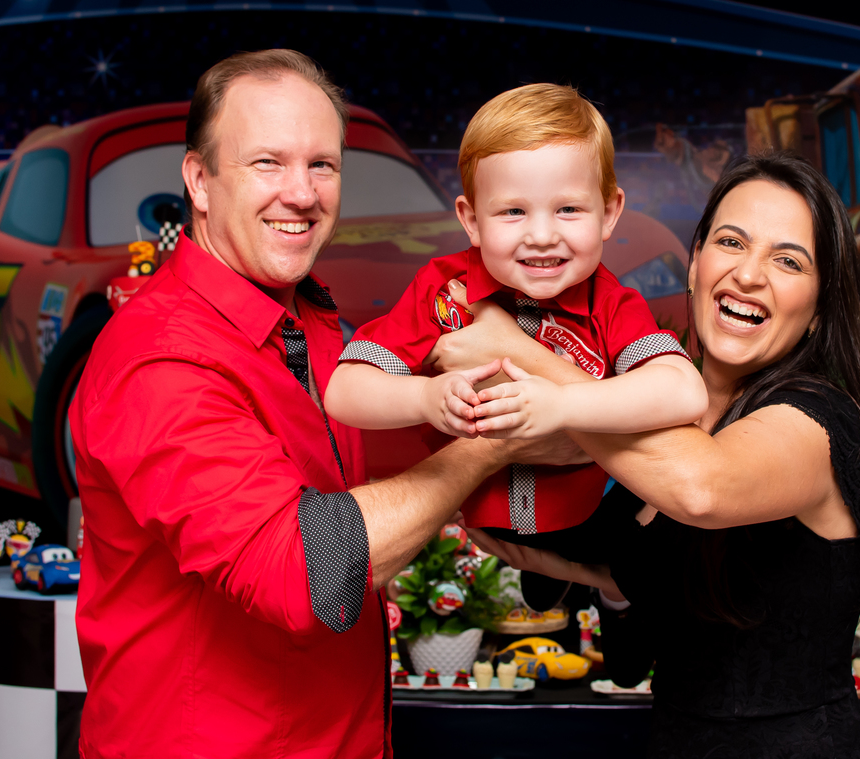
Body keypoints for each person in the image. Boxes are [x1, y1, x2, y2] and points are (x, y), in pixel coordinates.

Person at [69, 50, 580, 758]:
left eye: (322, 165)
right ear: (200, 181)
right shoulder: (161, 357)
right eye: (267, 163)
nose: (302, 193)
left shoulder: (307, 320)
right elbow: (307, 571)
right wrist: (498, 438)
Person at [434, 153, 860, 758]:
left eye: (788, 261)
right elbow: (629, 658)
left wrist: (525, 356)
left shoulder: (820, 417)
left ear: (818, 309)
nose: (749, 274)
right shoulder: (653, 425)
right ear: (695, 264)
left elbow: (703, 488)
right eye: (731, 242)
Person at [324, 84, 706, 609]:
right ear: (471, 220)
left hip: (591, 519)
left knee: (655, 552)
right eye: (512, 212)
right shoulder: (443, 290)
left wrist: (563, 403)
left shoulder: (611, 301)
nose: (542, 235)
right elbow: (343, 391)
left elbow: (684, 391)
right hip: (477, 520)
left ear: (609, 212)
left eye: (568, 208)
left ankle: (603, 588)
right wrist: (424, 397)